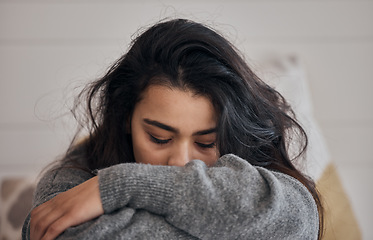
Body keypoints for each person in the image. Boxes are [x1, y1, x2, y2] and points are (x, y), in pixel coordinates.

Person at [22, 18, 323, 240]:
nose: (181, 162)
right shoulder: (70, 180)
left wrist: (122, 185)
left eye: (206, 143)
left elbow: (300, 219)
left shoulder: (251, 162)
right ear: (126, 117)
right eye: (159, 138)